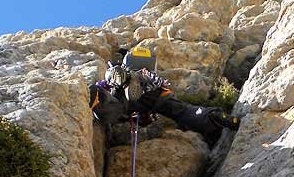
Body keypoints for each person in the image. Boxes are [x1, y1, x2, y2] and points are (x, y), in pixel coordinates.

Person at [89, 48, 240, 147]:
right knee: (184, 112)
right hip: (157, 94)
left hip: (127, 99)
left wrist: (98, 88)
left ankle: (112, 86)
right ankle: (214, 117)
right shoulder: (151, 74)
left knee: (111, 104)